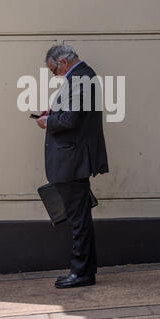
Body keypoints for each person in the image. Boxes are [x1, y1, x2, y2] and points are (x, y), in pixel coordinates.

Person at [36, 44, 109, 288]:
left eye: (53, 69)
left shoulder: (80, 78)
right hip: (74, 159)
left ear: (64, 62)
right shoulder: (83, 76)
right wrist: (52, 112)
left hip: (72, 160)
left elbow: (70, 119)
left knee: (78, 220)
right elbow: (71, 112)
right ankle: (84, 271)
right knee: (81, 218)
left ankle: (81, 273)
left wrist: (48, 121)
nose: (54, 74)